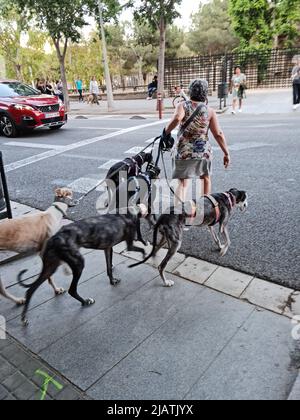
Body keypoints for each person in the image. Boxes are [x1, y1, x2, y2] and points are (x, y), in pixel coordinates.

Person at [162, 79, 230, 201]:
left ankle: (179, 215)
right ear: (205, 93)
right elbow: (218, 134)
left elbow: (177, 118)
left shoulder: (182, 106)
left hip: (183, 151)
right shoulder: (209, 111)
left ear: (190, 91)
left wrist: (166, 132)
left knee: (182, 183)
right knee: (205, 179)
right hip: (202, 152)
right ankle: (204, 210)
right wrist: (226, 153)